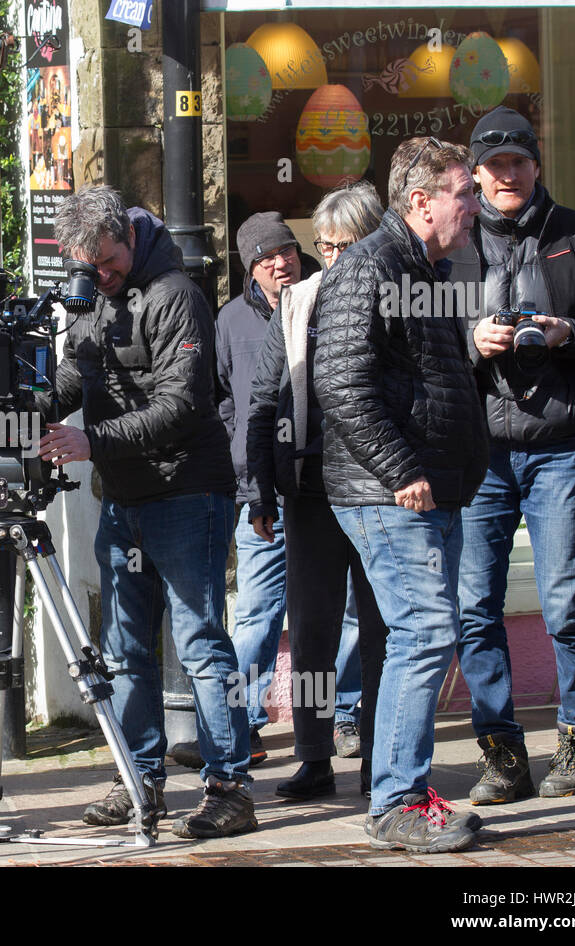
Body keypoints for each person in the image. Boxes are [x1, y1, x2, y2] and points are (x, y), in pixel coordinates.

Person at [37, 185, 255, 840]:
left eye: (107, 263)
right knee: (124, 648)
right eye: (88, 267)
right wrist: (26, 409)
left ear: (129, 237)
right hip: (124, 496)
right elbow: (78, 375)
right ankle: (137, 781)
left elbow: (182, 404)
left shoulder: (176, 295)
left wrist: (90, 442)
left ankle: (229, 789)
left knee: (199, 643)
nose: (100, 277)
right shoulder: (93, 294)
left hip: (187, 491)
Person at [453, 107, 575, 804]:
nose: (507, 175)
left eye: (518, 163)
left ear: (537, 166)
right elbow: (425, 348)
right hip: (482, 452)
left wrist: (567, 333)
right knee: (475, 606)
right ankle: (501, 755)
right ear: (476, 173)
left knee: (564, 601)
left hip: (561, 445)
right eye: (494, 166)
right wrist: (476, 342)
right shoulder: (455, 247)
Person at [314, 136, 488, 852]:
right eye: (464, 194)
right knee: (424, 634)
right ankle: (397, 802)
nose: (474, 207)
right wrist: (402, 471)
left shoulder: (423, 266)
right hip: (392, 494)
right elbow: (341, 384)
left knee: (418, 636)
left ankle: (400, 794)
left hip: (428, 492)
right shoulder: (370, 267)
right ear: (421, 202)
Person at [246, 182, 389, 801]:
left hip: (384, 487)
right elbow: (260, 400)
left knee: (385, 630)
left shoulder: (403, 300)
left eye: (346, 247)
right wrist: (261, 491)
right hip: (310, 490)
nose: (334, 260)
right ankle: (314, 756)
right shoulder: (296, 302)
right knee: (312, 634)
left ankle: (381, 757)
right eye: (325, 248)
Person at [215, 211, 314, 766]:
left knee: (338, 608)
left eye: (287, 252)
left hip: (326, 485)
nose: (280, 263)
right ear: (251, 267)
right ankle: (243, 722)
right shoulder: (230, 319)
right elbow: (221, 398)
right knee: (255, 610)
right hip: (261, 489)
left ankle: (343, 713)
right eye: (266, 257)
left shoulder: (328, 300)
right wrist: (244, 463)